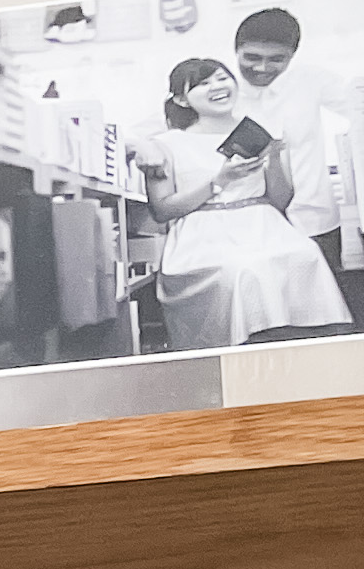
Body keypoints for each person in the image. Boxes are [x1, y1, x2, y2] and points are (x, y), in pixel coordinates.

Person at [141, 57, 347, 350]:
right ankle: (249, 353)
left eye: (222, 78)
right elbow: (162, 210)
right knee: (244, 269)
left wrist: (275, 156)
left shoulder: (257, 130)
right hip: (203, 236)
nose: (217, 86)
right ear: (181, 99)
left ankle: (310, 351)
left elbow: (279, 201)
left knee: (305, 255)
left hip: (264, 225)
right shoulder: (166, 144)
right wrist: (218, 181)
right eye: (203, 83)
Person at [232, 5, 364, 326]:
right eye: (251, 57)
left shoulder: (310, 81)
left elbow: (356, 103)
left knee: (326, 315)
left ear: (292, 56)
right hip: (250, 227)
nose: (262, 68)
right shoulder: (221, 90)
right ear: (235, 50)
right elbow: (154, 128)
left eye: (276, 59)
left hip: (314, 219)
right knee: (267, 316)